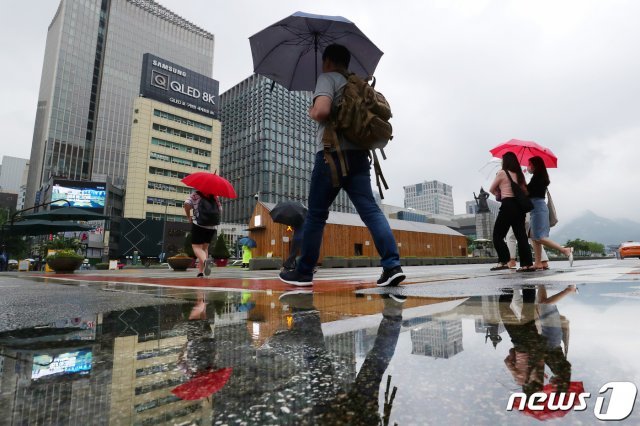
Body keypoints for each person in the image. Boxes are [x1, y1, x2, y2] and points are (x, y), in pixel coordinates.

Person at [278, 43, 405, 288]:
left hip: (331, 157)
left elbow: (322, 111)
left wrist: (312, 111)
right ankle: (392, 266)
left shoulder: (327, 78)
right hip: (359, 156)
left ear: (327, 61)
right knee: (371, 211)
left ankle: (304, 272)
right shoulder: (358, 84)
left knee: (316, 215)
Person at [489, 152, 534, 272]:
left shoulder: (502, 173)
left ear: (506, 161)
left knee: (498, 235)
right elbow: (525, 191)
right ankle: (527, 264)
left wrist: (499, 194)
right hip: (519, 207)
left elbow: (491, 189)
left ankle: (504, 261)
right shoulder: (519, 175)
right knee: (521, 236)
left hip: (508, 205)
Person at [527, 156, 573, 269]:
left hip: (538, 208)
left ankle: (564, 250)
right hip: (536, 208)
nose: (528, 167)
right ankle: (538, 263)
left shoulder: (538, 178)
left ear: (535, 165)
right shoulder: (538, 177)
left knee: (539, 237)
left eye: (529, 164)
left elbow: (530, 192)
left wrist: (522, 185)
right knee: (534, 237)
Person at [184, 191, 219, 277]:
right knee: (205, 248)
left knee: (196, 247)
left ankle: (205, 261)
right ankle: (201, 272)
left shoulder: (196, 194)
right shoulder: (215, 196)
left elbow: (186, 203)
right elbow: (220, 209)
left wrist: (188, 216)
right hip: (212, 226)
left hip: (199, 224)